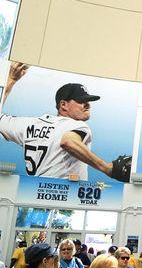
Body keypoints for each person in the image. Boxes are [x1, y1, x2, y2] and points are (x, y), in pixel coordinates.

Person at [0, 63, 131, 182]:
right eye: (81, 100)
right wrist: (106, 168)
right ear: (63, 105)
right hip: (61, 201)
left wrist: (11, 80)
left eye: (88, 101)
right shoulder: (76, 125)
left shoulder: (29, 125)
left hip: (32, 197)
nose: (87, 105)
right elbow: (68, 141)